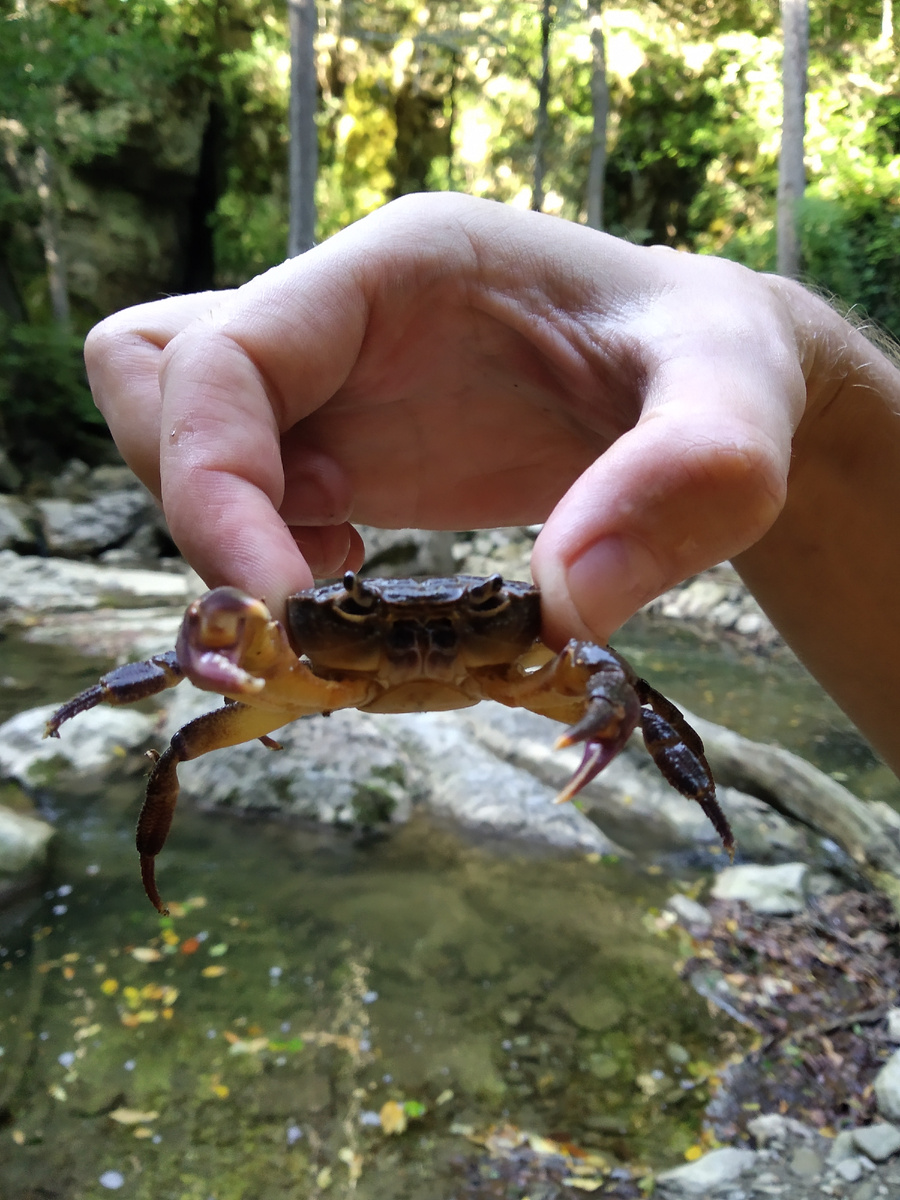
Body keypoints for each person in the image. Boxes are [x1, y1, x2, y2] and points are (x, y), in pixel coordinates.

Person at [83, 192, 900, 774]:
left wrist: (803, 373)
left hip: (480, 667)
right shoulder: (289, 657)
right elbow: (190, 653)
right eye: (363, 615)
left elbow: (621, 688)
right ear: (321, 613)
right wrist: (811, 396)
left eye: (471, 614)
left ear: (502, 603)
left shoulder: (542, 660)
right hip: (346, 674)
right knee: (181, 749)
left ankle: (711, 815)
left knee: (636, 697)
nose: (421, 647)